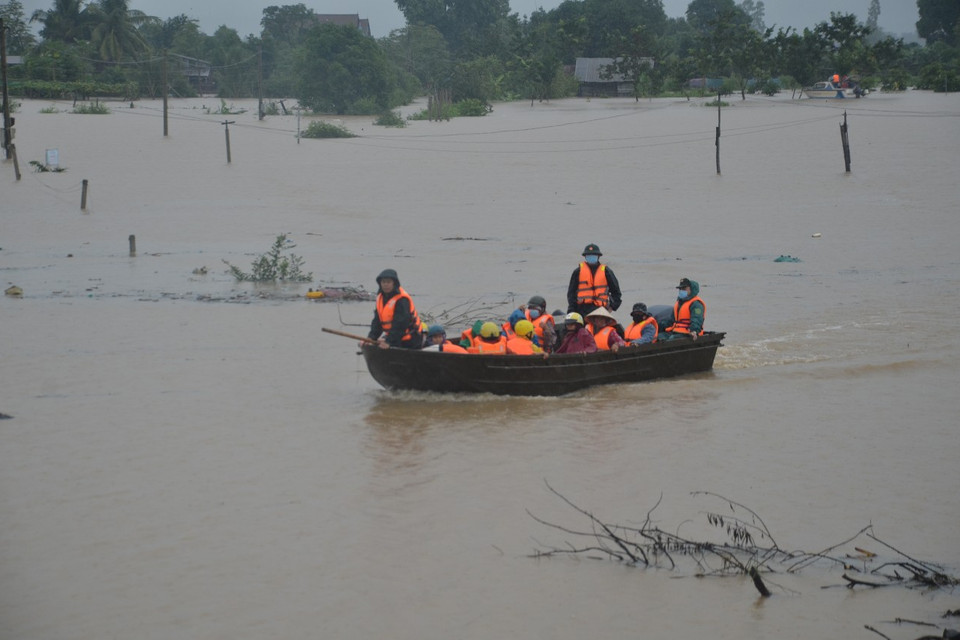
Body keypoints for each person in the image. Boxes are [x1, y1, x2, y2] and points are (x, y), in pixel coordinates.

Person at [366, 268, 422, 349]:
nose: (385, 285)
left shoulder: (402, 299)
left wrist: (389, 342)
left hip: (411, 339)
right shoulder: (380, 298)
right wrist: (371, 338)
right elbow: (377, 322)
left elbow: (400, 324)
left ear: (394, 283)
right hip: (395, 338)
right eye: (383, 282)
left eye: (388, 282)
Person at [567, 243, 622, 318]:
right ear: (585, 257)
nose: (591, 258)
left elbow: (616, 293)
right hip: (581, 310)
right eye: (589, 256)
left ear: (598, 256)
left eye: (594, 255)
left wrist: (611, 308)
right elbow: (571, 293)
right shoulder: (578, 272)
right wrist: (572, 310)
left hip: (601, 311)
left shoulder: (606, 271)